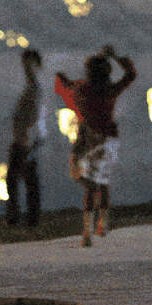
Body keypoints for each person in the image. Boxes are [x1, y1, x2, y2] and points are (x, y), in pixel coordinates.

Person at [56, 44, 137, 247]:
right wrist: (115, 55)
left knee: (89, 186)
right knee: (102, 182)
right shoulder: (110, 90)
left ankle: (86, 232)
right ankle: (103, 223)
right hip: (109, 140)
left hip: (87, 140)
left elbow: (62, 84)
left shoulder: (81, 89)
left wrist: (60, 74)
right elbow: (131, 74)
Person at [6, 48, 44, 226]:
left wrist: (26, 136)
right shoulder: (32, 88)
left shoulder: (34, 88)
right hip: (24, 139)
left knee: (21, 179)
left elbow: (33, 114)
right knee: (24, 180)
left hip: (25, 140)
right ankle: (27, 217)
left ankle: (24, 218)